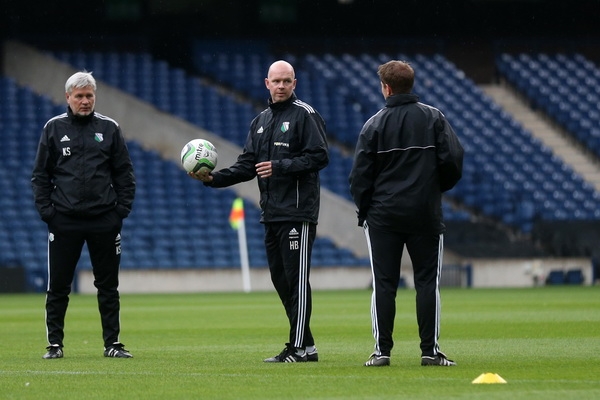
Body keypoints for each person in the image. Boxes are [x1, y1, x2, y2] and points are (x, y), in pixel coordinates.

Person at [189, 60, 328, 363]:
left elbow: (319, 156)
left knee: (296, 280)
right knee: (281, 280)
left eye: (286, 81)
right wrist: (214, 179)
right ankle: (308, 346)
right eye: (276, 81)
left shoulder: (306, 115)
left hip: (297, 212)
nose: (281, 86)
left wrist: (280, 166)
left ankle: (296, 347)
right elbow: (246, 165)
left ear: (295, 83)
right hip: (271, 213)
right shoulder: (260, 121)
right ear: (267, 83)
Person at [349, 60, 464, 367]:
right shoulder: (434, 118)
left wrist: (366, 210)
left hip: (383, 217)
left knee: (384, 284)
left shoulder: (374, 124)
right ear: (410, 84)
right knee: (427, 283)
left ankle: (381, 351)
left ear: (386, 88)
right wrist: (434, 190)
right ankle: (430, 351)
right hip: (425, 213)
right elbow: (454, 161)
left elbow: (360, 177)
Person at [31, 71, 136, 359]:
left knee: (108, 286)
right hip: (64, 220)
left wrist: (120, 212)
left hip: (104, 220)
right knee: (59, 286)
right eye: (79, 96)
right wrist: (48, 213)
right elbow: (40, 175)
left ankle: (112, 344)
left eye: (89, 95)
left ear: (95, 97)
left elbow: (124, 174)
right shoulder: (53, 128)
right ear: (68, 98)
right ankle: (55, 344)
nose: (85, 101)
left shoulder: (109, 128)